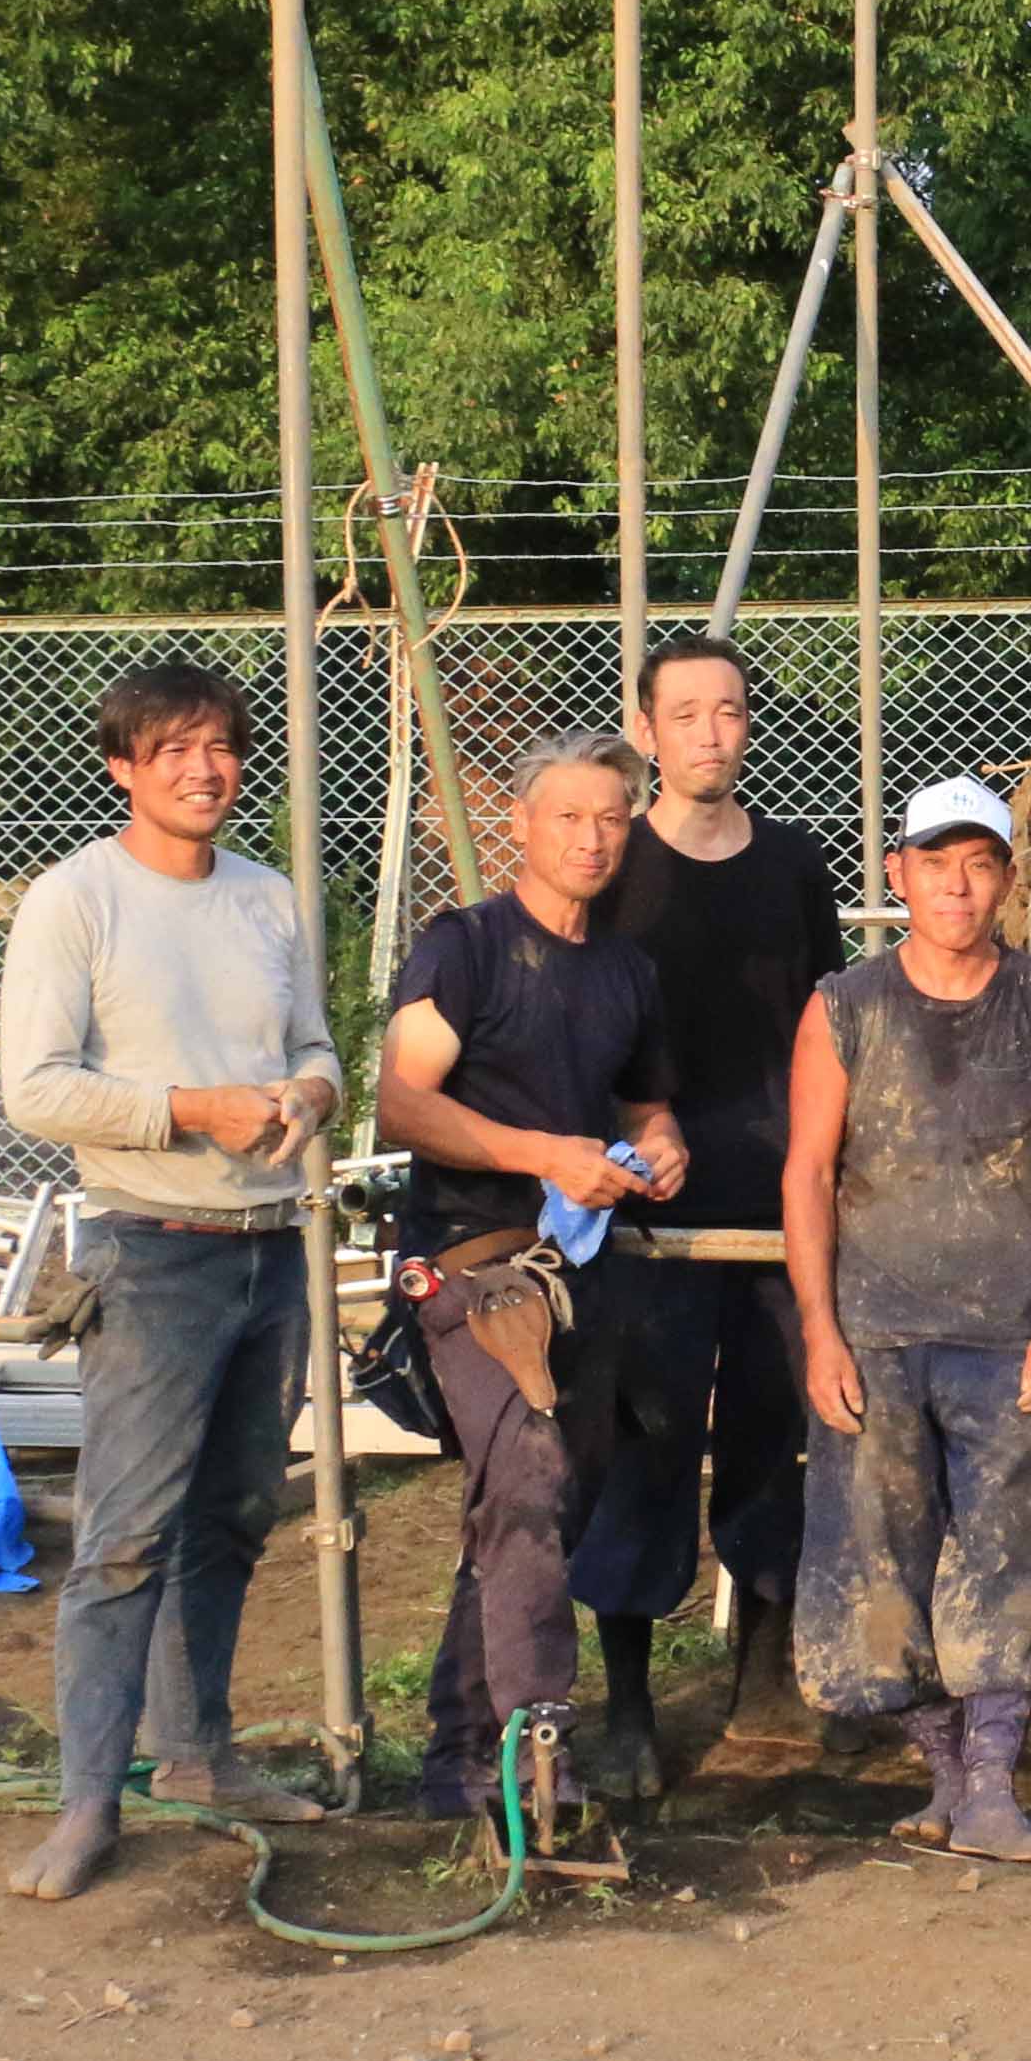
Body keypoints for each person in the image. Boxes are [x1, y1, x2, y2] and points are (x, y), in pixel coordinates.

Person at [0, 661, 343, 1900]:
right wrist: (188, 1108)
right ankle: (89, 1802)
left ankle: (196, 1757)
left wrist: (302, 1095)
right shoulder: (75, 900)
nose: (203, 770)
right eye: (173, 750)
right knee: (124, 1538)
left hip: (267, 1251)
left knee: (234, 1518)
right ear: (123, 768)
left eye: (221, 747)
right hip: (146, 1252)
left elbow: (314, 1048)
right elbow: (35, 1087)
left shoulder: (269, 901)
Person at [784, 775, 1031, 1863]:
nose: (957, 886)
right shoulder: (846, 1005)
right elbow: (808, 1173)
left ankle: (991, 1789)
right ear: (899, 876)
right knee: (881, 1558)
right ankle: (940, 1775)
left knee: (1008, 1556)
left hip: (1009, 1332)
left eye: (979, 864)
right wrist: (822, 1333)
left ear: (1011, 881)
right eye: (936, 864)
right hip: (876, 1335)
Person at [376, 733, 688, 1824]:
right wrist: (543, 1153)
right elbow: (401, 1105)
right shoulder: (462, 947)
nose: (593, 838)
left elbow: (646, 1100)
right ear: (520, 824)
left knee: (533, 1507)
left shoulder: (626, 969)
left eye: (610, 818)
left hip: (582, 1272)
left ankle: (457, 1758)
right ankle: (531, 1758)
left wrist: (663, 1139)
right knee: (531, 1492)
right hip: (472, 1268)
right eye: (569, 816)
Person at [595, 630, 846, 1748]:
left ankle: (767, 1684)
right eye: (686, 713)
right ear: (645, 730)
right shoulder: (611, 867)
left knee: (773, 1432)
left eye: (731, 710)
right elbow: (576, 1037)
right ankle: (630, 1704)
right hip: (644, 1209)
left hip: (779, 1198)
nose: (710, 732)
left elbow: (826, 1028)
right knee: (642, 1442)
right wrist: (627, 1132)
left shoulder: (793, 864)